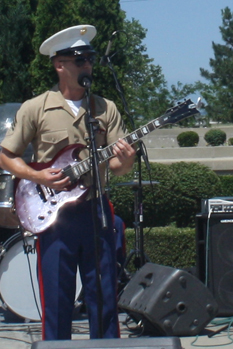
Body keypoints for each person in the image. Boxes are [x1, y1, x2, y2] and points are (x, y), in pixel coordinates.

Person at [0, 25, 135, 340]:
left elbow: (116, 167)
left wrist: (126, 158)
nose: (87, 64)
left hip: (95, 211)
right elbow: (6, 156)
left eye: (89, 59)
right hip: (56, 218)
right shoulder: (37, 107)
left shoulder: (105, 109)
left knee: (102, 296)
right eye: (79, 59)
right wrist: (36, 175)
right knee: (58, 299)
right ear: (59, 65)